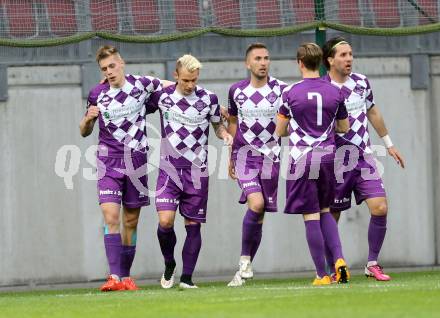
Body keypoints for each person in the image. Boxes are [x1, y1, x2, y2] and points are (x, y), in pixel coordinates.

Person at [79, 45, 164, 291]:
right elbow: (84, 132)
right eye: (104, 69)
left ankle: (125, 277)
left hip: (136, 162)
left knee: (131, 220)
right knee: (111, 216)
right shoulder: (97, 94)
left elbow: (174, 86)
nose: (109, 72)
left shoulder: (141, 85)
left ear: (122, 63)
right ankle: (114, 277)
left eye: (112, 66)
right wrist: (88, 119)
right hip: (109, 162)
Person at [322, 36, 405, 281]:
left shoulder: (361, 82)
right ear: (330, 60)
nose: (349, 59)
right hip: (336, 160)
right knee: (332, 215)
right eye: (343, 55)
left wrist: (388, 144)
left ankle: (372, 264)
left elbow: (372, 111)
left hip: (364, 157)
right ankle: (333, 268)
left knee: (380, 207)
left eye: (350, 54)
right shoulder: (322, 88)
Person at [146, 54, 233, 289]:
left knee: (193, 225)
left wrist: (224, 134)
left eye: (194, 80)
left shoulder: (209, 99)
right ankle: (169, 263)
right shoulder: (163, 97)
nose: (190, 85)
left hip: (197, 172)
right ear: (175, 76)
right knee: (165, 222)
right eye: (185, 80)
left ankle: (187, 278)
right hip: (169, 170)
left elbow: (217, 125)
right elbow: (138, 97)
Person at [276, 43, 350, 285]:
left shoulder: (289, 93)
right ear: (320, 63)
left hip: (302, 159)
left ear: (299, 63)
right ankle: (338, 259)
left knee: (310, 216)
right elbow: (344, 127)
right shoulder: (336, 92)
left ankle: (322, 274)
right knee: (326, 210)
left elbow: (280, 130)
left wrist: (295, 127)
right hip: (328, 157)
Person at [225, 43, 286, 287]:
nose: (263, 62)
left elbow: (290, 120)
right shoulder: (236, 91)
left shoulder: (282, 89)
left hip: (271, 158)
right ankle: (243, 260)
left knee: (259, 215)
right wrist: (231, 155)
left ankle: (244, 268)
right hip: (244, 156)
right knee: (256, 202)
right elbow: (232, 121)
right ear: (247, 64)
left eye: (266, 58)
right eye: (258, 58)